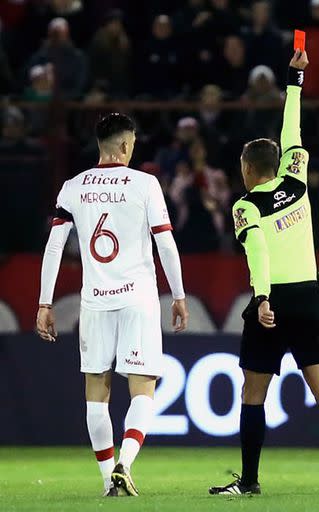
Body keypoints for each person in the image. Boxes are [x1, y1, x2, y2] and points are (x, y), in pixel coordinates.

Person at [208, 49, 319, 496]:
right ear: (279, 164)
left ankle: (249, 481)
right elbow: (292, 131)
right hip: (309, 297)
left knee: (253, 395)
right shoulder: (297, 183)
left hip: (275, 301)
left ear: (247, 170)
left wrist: (261, 298)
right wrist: (295, 82)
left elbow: (258, 251)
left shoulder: (246, 205)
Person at [36, 113, 189, 497]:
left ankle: (109, 481)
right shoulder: (145, 183)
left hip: (95, 301)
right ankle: (126, 463)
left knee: (96, 393)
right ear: (124, 145)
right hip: (138, 298)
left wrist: (44, 302)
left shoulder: (73, 186)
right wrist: (180, 294)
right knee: (143, 389)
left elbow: (54, 246)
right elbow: (165, 243)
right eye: (132, 143)